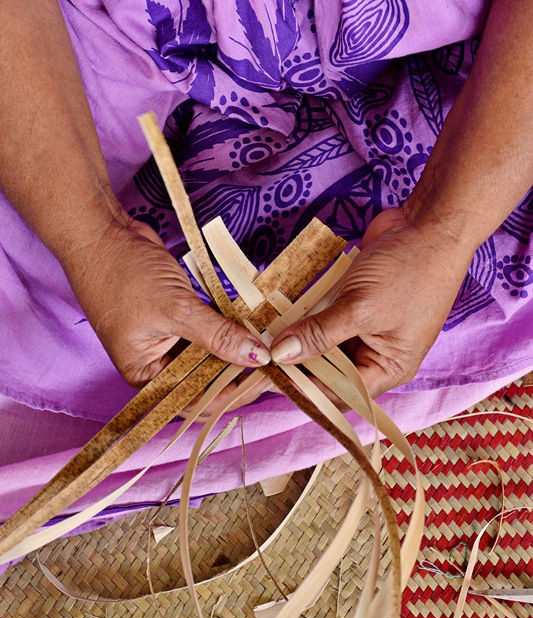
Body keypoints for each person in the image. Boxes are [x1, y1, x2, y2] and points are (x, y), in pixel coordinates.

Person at [0, 0, 532, 564]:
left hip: (443, 62)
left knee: (482, 256)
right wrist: (92, 241)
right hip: (104, 44)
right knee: (45, 282)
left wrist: (442, 233)